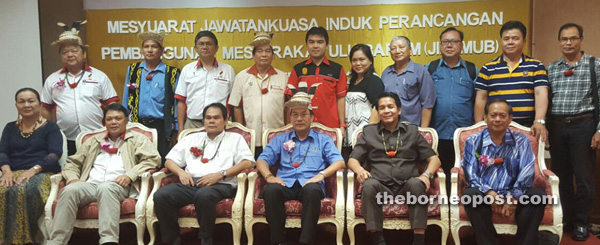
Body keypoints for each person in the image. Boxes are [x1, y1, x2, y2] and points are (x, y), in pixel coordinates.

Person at [46, 103, 160, 245]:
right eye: (109, 119)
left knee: (106, 188)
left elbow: (152, 160)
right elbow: (73, 162)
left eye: (118, 118)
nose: (113, 122)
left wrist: (130, 175)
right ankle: (56, 241)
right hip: (91, 185)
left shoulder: (137, 139)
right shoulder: (94, 140)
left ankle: (108, 241)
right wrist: (73, 178)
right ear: (104, 122)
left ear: (126, 120)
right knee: (69, 190)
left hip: (118, 185)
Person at [153, 103, 254, 245]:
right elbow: (169, 161)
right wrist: (181, 172)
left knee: (204, 195)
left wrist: (221, 174)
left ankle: (205, 239)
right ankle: (172, 239)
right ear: (203, 121)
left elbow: (247, 163)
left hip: (220, 183)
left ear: (225, 120)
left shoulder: (235, 139)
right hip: (191, 182)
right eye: (208, 118)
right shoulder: (191, 138)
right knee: (161, 195)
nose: (211, 121)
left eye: (216, 118)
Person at [347, 92, 441, 245]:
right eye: (382, 108)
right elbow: (352, 159)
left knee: (418, 184)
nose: (386, 111)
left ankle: (419, 240)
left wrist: (426, 175)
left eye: (390, 107)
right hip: (380, 185)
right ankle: (378, 240)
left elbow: (434, 159)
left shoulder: (411, 131)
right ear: (378, 112)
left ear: (399, 110)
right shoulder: (369, 132)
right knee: (369, 186)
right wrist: (360, 171)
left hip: (407, 184)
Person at [257, 91, 345, 245]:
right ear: (290, 118)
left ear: (311, 117)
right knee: (271, 190)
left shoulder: (322, 139)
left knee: (312, 191)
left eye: (303, 114)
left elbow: (339, 162)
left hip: (311, 183)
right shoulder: (281, 139)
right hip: (285, 183)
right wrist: (269, 177)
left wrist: (321, 175)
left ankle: (306, 241)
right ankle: (277, 241)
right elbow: (262, 160)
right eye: (294, 115)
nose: (299, 119)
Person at [462, 99, 546, 245]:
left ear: (510, 119)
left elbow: (527, 171)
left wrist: (513, 196)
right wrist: (489, 192)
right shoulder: (473, 141)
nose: (497, 119)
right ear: (485, 117)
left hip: (515, 193)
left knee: (538, 196)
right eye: (493, 115)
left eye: (502, 115)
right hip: (485, 194)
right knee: (471, 195)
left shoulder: (522, 141)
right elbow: (470, 173)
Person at [547, 23, 600, 241]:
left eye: (573, 38)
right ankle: (565, 218)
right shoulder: (551, 68)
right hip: (557, 126)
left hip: (583, 126)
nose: (568, 42)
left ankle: (581, 222)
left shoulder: (594, 65)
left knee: (585, 178)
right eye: (564, 39)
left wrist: (599, 130)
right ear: (559, 41)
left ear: (580, 40)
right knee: (560, 178)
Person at [41, 20, 118, 155]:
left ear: (84, 54)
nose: (70, 55)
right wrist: (52, 132)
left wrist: (109, 130)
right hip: (65, 139)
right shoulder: (52, 79)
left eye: (74, 51)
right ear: (61, 56)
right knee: (69, 172)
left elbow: (112, 105)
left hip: (97, 135)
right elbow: (45, 109)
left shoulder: (99, 76)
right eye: (65, 52)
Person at [0, 88, 63, 244]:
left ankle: (25, 239)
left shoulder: (51, 128)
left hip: (43, 173)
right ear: (16, 105)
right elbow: (2, 153)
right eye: (22, 101)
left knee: (25, 190)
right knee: (2, 190)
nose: (26, 105)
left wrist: (33, 170)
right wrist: (6, 172)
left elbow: (54, 155)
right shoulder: (9, 128)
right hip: (13, 172)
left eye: (31, 101)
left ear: (40, 104)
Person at [474, 20, 549, 142]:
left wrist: (539, 121)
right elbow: (481, 98)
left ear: (524, 41)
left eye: (515, 38)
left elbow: (541, 93)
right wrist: (479, 126)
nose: (510, 42)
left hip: (528, 127)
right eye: (506, 38)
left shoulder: (536, 66)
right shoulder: (488, 68)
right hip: (495, 128)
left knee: (525, 160)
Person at [425, 27, 477, 191]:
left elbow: (479, 101)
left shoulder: (471, 69)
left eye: (454, 41)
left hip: (464, 135)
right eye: (445, 42)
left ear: (462, 46)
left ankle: (460, 208)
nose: (449, 45)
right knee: (440, 176)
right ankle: (442, 210)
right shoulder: (430, 68)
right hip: (438, 133)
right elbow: (424, 100)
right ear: (440, 45)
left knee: (464, 176)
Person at [122, 31, 181, 163]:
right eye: (146, 46)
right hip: (136, 126)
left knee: (161, 163)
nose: (149, 50)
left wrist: (175, 129)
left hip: (161, 128)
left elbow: (177, 104)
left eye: (154, 47)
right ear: (142, 50)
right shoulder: (133, 70)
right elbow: (126, 98)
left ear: (162, 51)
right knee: (137, 162)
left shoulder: (171, 73)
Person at [229, 32, 287, 157]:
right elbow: (237, 106)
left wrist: (287, 130)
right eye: (260, 51)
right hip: (252, 138)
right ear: (253, 56)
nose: (264, 54)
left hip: (277, 136)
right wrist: (242, 132)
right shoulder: (242, 77)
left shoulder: (283, 77)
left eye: (268, 51)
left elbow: (288, 106)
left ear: (273, 56)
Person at [285, 26, 348, 136]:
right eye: (311, 42)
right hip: (303, 128)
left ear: (327, 45)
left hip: (330, 128)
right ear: (307, 45)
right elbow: (291, 101)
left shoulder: (337, 69)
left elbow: (340, 99)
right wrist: (289, 126)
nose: (315, 46)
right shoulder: (298, 70)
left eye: (320, 42)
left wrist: (342, 125)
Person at [175, 31, 235, 130]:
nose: (205, 47)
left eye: (209, 44)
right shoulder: (187, 69)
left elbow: (233, 101)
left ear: (216, 48)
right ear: (196, 48)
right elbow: (181, 101)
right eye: (201, 44)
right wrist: (180, 129)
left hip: (219, 124)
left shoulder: (228, 70)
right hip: (192, 124)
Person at [381, 36, 436, 127]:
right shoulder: (386, 73)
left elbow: (428, 104)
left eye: (401, 47)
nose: (397, 51)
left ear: (410, 50)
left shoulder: (420, 71)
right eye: (393, 49)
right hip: (389, 129)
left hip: (412, 128)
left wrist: (424, 131)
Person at [342, 44, 385, 160]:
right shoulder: (353, 80)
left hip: (365, 138)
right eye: (354, 60)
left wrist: (368, 134)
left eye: (362, 59)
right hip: (351, 136)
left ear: (370, 61)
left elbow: (378, 107)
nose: (358, 63)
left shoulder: (373, 80)